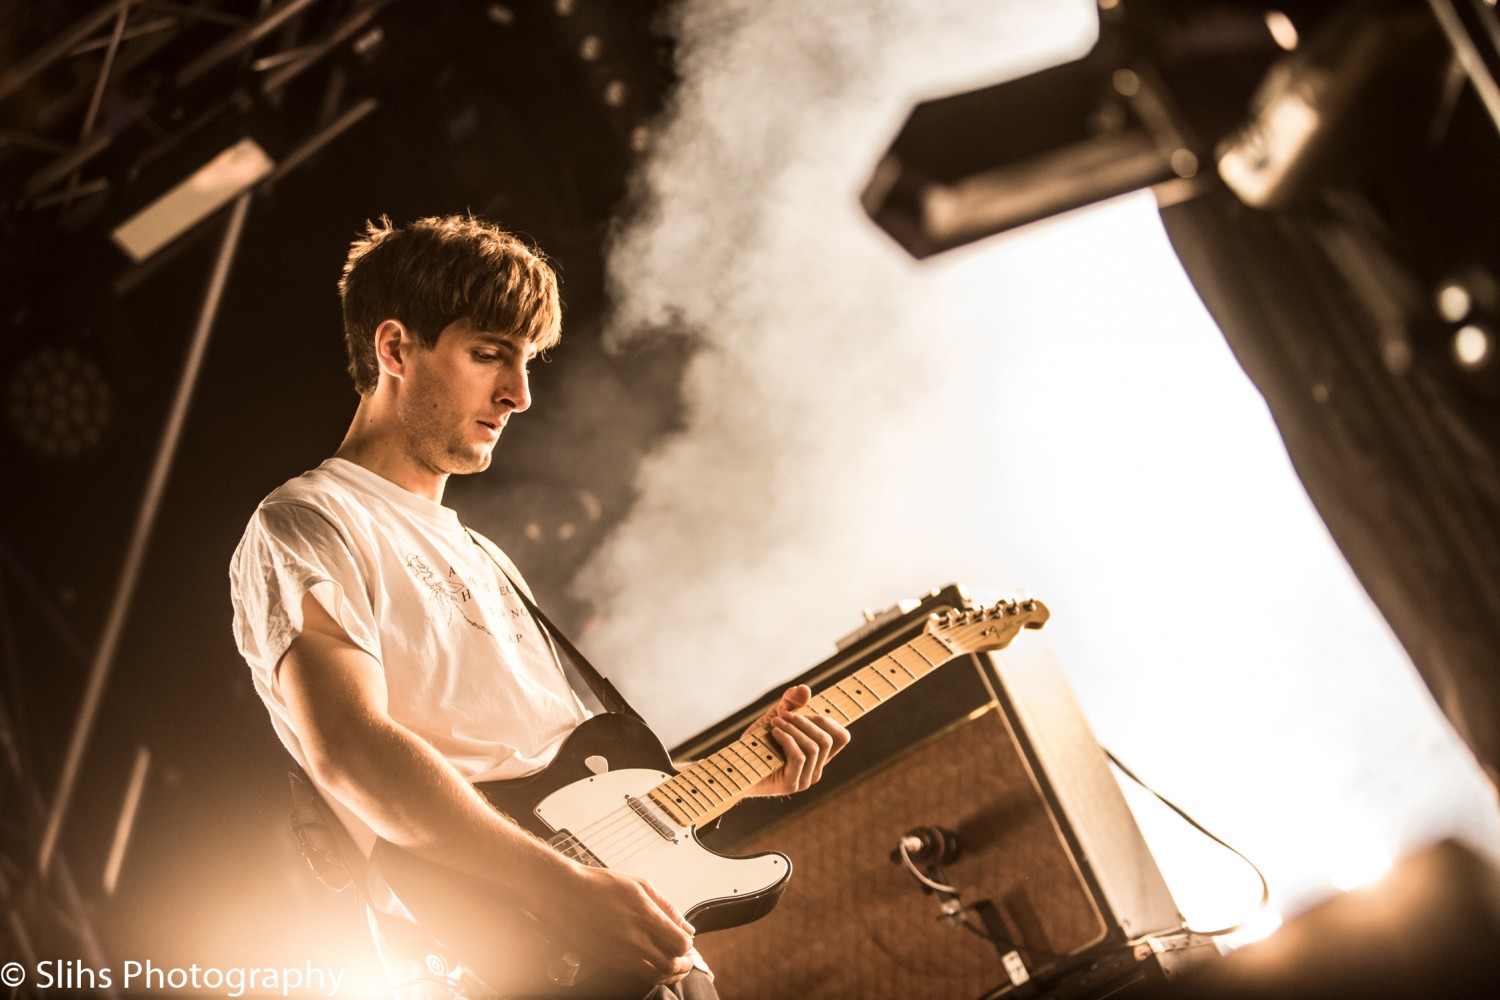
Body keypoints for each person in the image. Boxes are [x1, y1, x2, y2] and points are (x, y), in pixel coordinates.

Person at [229, 215, 850, 999]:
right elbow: (351, 750)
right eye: (489, 354)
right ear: (394, 349)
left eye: (527, 362)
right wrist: (563, 892)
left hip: (645, 959)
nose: (519, 394)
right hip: (504, 965)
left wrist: (740, 774)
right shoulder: (310, 522)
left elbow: (545, 791)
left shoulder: (484, 555)